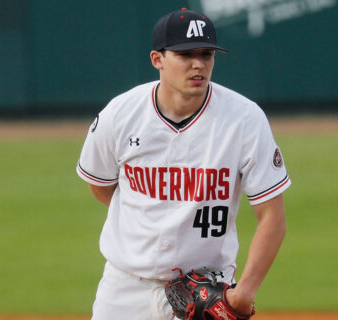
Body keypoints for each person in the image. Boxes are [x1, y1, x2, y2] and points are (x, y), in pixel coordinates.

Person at [76, 7, 291, 320]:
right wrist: (146, 219)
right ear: (157, 60)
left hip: (208, 292)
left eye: (206, 54)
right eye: (185, 54)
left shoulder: (244, 119)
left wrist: (243, 293)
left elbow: (273, 216)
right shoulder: (120, 114)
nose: (198, 64)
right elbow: (100, 185)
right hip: (124, 291)